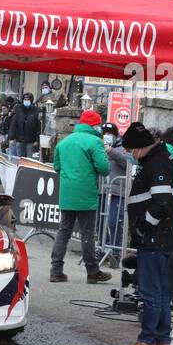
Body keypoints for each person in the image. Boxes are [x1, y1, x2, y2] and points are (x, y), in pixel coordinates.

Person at [121, 122, 173, 345]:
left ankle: (147, 340)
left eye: (130, 150)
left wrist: (144, 226)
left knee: (151, 292)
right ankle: (163, 340)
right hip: (164, 238)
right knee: (162, 291)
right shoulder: (165, 159)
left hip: (156, 239)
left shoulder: (156, 163)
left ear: (139, 147)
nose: (129, 154)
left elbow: (162, 202)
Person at [49, 110, 111, 285]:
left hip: (67, 194)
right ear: (94, 125)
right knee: (87, 233)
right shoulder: (95, 141)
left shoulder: (64, 142)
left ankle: (56, 270)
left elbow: (56, 167)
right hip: (86, 194)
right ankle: (92, 271)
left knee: (63, 231)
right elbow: (104, 168)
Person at [99, 121, 130, 268]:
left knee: (114, 222)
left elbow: (126, 162)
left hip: (118, 191)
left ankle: (115, 254)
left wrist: (110, 150)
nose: (106, 136)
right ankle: (102, 250)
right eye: (104, 133)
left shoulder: (123, 146)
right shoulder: (98, 144)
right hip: (103, 189)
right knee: (100, 223)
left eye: (109, 134)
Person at [8, 91, 41, 160]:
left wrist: (37, 140)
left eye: (28, 99)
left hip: (31, 140)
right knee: (20, 158)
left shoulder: (36, 111)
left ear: (31, 100)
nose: (26, 101)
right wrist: (11, 137)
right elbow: (14, 124)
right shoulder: (18, 110)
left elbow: (38, 127)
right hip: (19, 139)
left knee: (29, 159)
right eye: (25, 99)